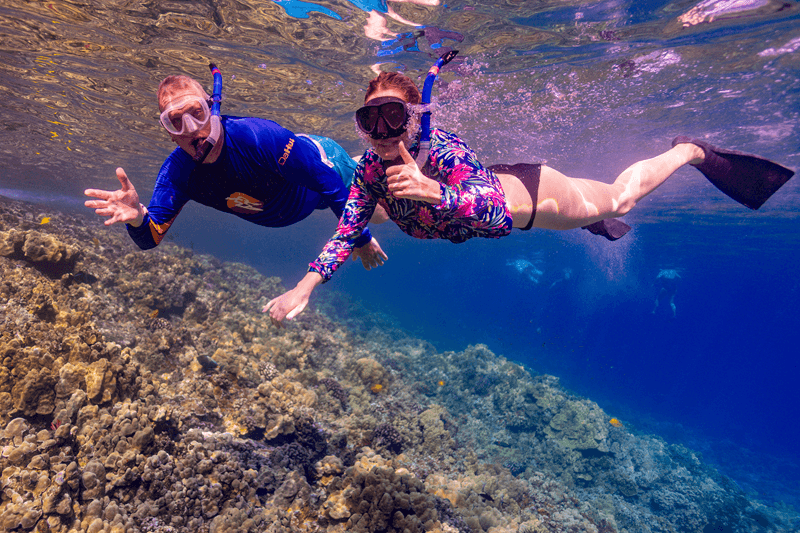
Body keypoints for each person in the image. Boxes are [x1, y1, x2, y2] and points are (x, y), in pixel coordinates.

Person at [264, 68, 794, 325]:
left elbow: (495, 216)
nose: (382, 131)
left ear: (416, 118)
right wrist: (305, 287)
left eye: (393, 117)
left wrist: (434, 192)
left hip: (532, 197)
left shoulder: (444, 151)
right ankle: (593, 217)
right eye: (370, 119)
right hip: (472, 195)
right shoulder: (369, 171)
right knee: (368, 209)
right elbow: (348, 229)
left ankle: (690, 151)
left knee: (618, 201)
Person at [84, 66, 388, 270]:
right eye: (175, 121)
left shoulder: (259, 137)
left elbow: (327, 184)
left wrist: (360, 238)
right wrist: (138, 219)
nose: (191, 129)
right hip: (301, 199)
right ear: (168, 132)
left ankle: (364, 163)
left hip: (324, 164)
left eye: (197, 113)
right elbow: (149, 239)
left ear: (212, 107)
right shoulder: (177, 175)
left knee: (378, 214)